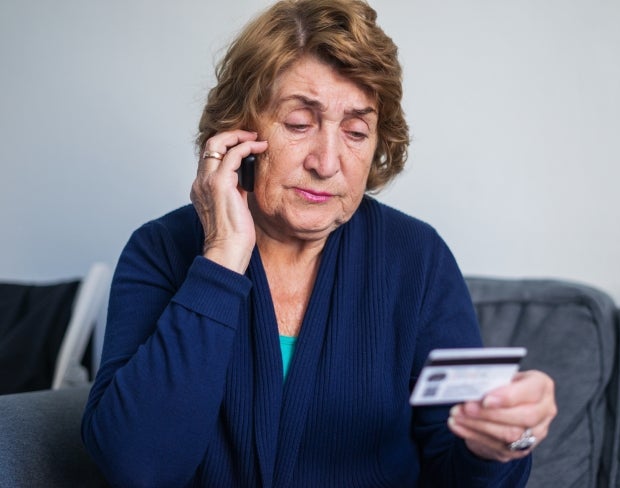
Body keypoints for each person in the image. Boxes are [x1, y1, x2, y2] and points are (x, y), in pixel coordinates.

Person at [81, 0, 557, 486]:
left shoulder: (418, 259)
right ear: (239, 130)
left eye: (355, 132)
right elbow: (137, 467)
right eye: (298, 123)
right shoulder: (160, 250)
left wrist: (498, 445)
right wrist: (221, 258)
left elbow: (458, 471)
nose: (327, 162)